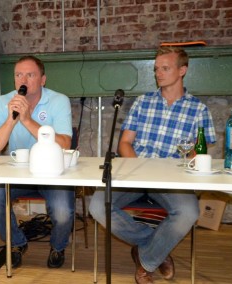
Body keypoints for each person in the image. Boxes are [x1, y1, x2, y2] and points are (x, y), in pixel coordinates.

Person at [89, 46, 216, 284]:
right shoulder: (142, 103)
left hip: (172, 177)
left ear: (182, 70)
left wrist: (190, 160)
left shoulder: (198, 109)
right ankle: (156, 247)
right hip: (135, 171)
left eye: (165, 68)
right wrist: (142, 170)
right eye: (157, 69)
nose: (159, 73)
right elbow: (125, 143)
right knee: (97, 206)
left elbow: (199, 151)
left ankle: (146, 260)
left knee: (189, 211)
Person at [0, 55, 75, 269]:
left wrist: (26, 120)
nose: (23, 80)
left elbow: (64, 144)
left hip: (53, 172)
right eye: (18, 75)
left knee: (62, 211)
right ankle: (16, 243)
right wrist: (11, 119)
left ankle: (58, 246)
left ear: (42, 80)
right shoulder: (4, 102)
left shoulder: (58, 101)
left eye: (30, 75)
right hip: (18, 172)